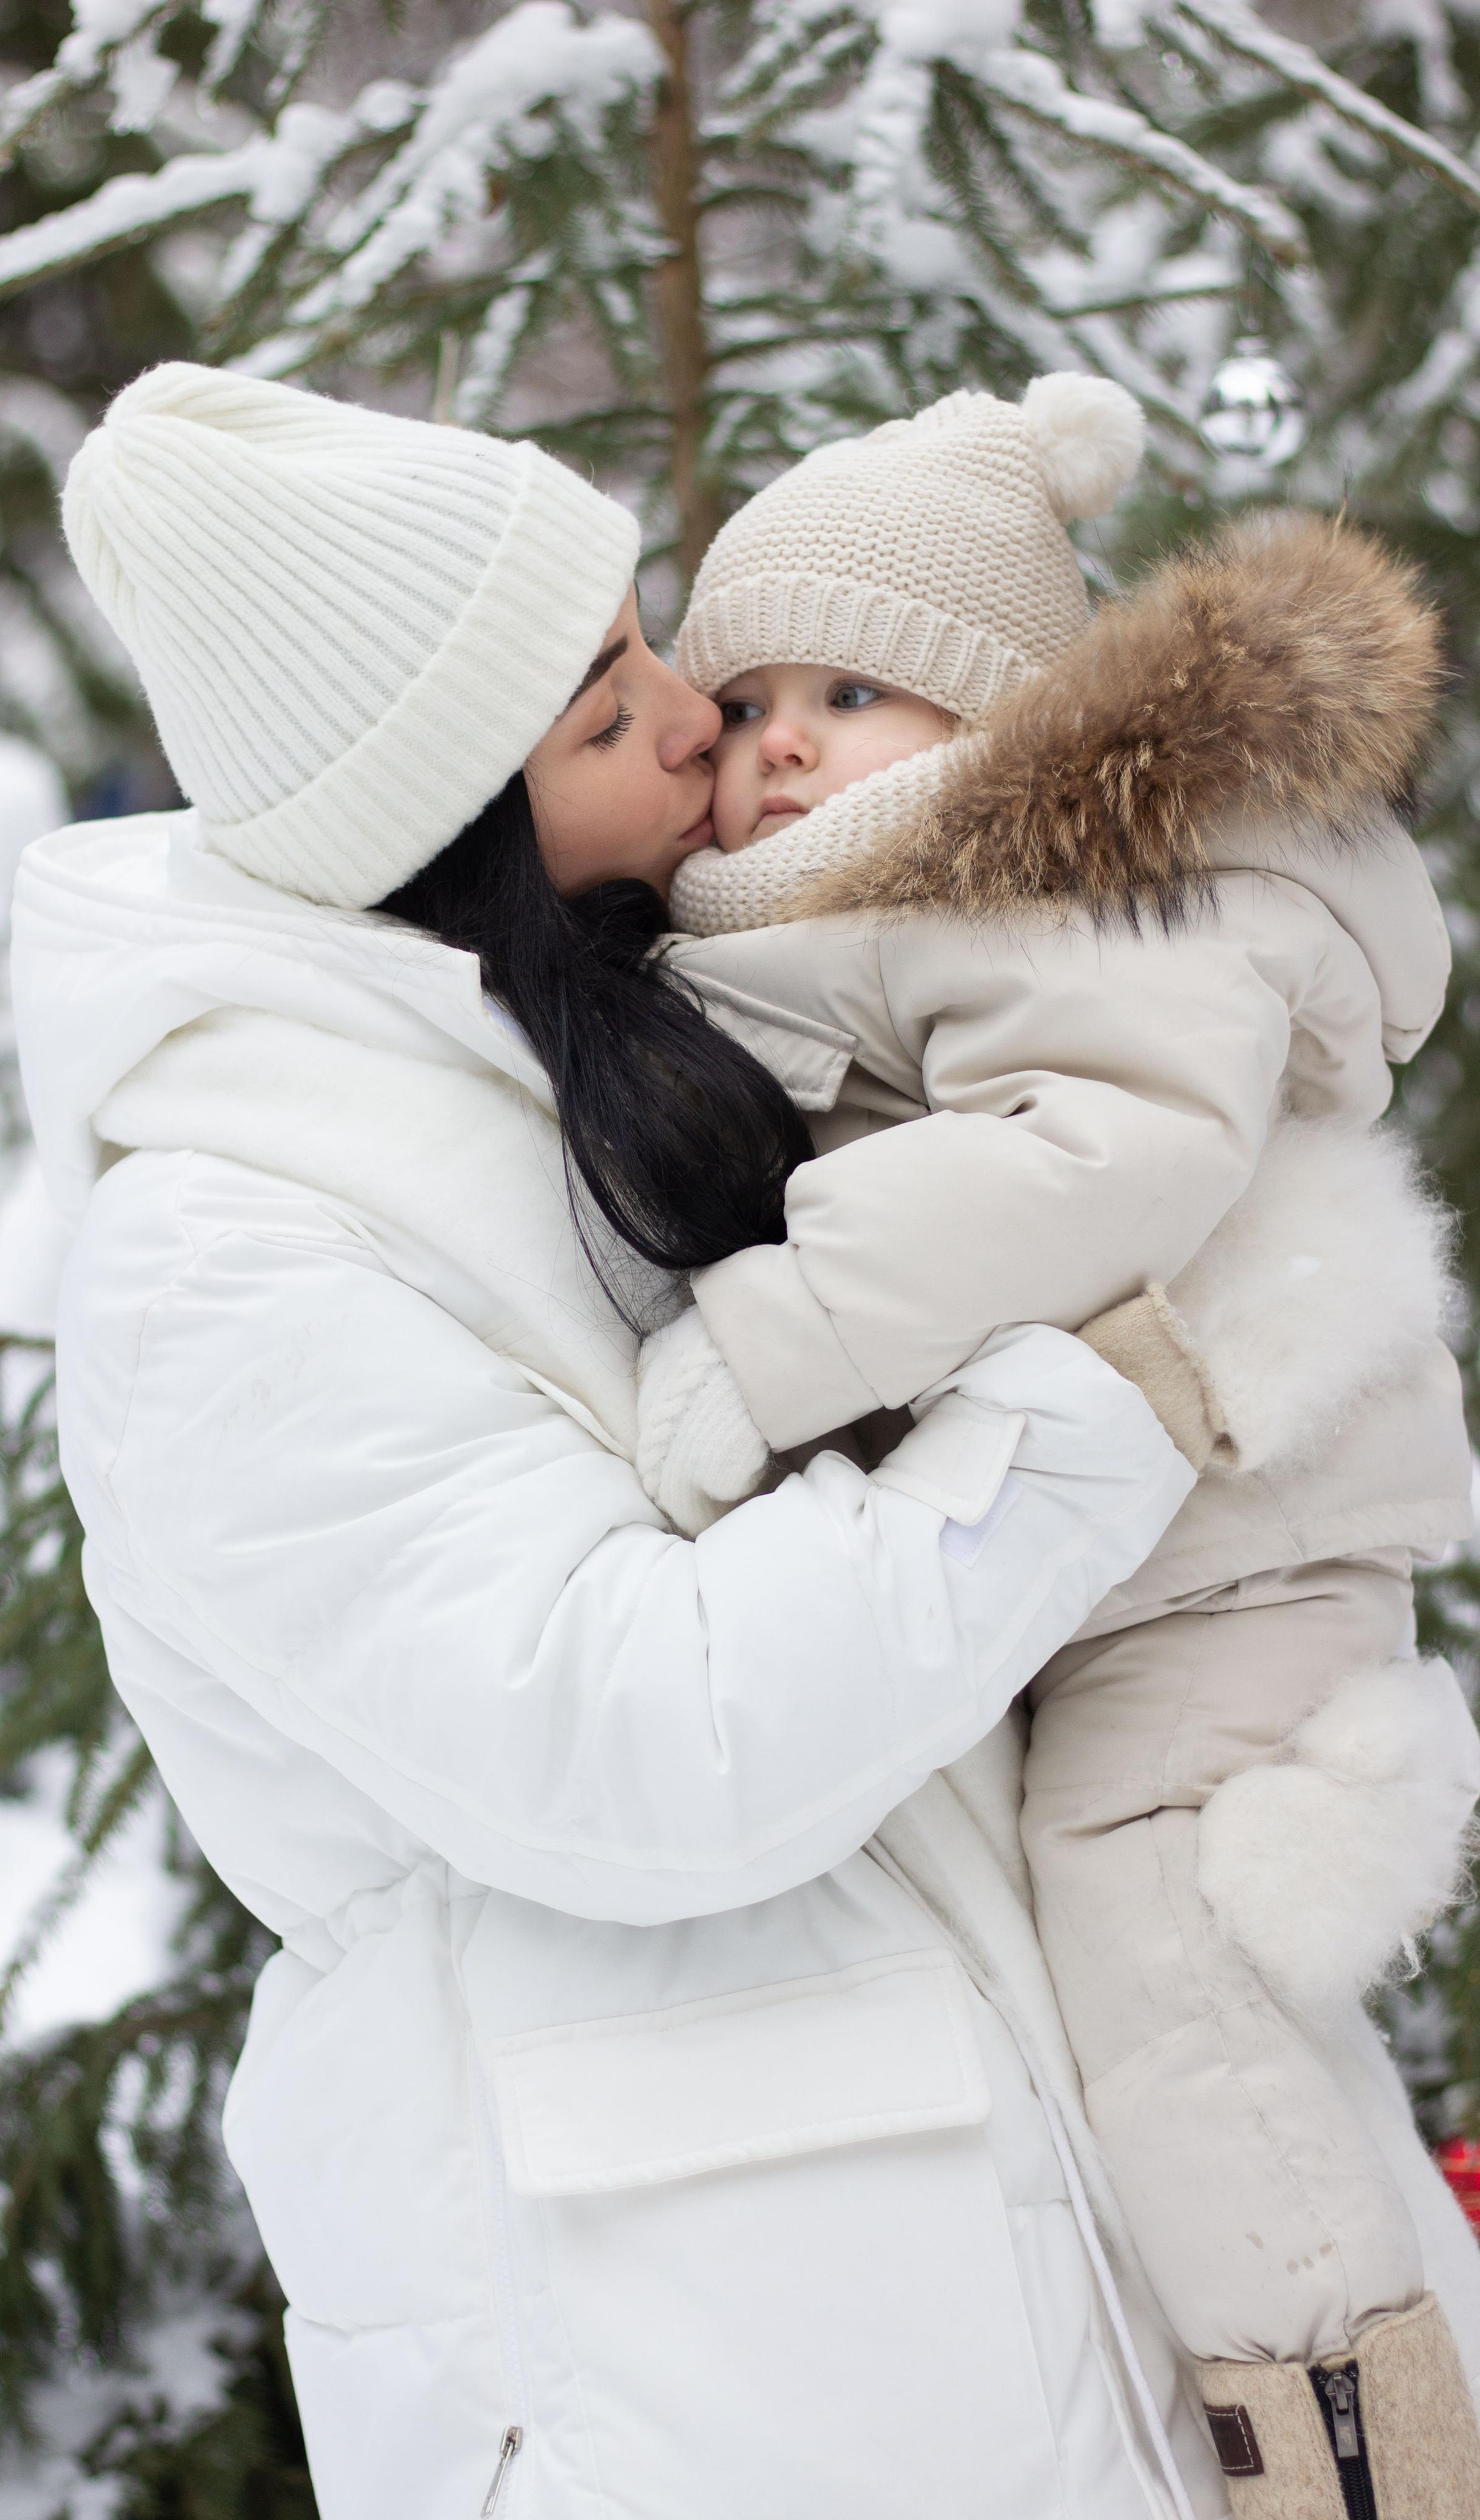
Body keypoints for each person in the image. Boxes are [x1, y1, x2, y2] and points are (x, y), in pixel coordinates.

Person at [19, 360, 1240, 2519]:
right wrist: (1085, 1401)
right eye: (604, 711)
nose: (699, 719)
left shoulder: (601, 1037)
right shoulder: (227, 1259)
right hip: (685, 2364)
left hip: (901, 2260)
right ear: (442, 833)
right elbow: (639, 1742)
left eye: (643, 634)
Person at [645, 372, 1480, 2513]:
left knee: (1156, 1949)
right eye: (740, 704)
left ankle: (1357, 2447)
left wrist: (760, 1345)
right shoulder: (911, 899)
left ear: (1006, 707)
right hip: (1174, 1534)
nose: (780, 746)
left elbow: (1095, 1165)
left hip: (1246, 1534)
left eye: (851, 686)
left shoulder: (1080, 891)